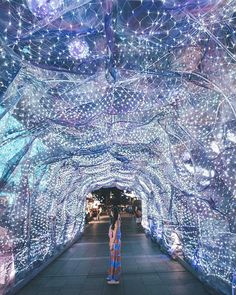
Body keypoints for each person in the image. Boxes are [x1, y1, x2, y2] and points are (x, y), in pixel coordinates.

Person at [107, 206, 121, 284]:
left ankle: (114, 279)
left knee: (114, 260)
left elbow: (114, 234)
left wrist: (111, 244)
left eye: (111, 211)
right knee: (113, 260)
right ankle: (112, 276)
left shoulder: (116, 222)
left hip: (115, 243)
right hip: (115, 242)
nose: (110, 213)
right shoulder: (116, 221)